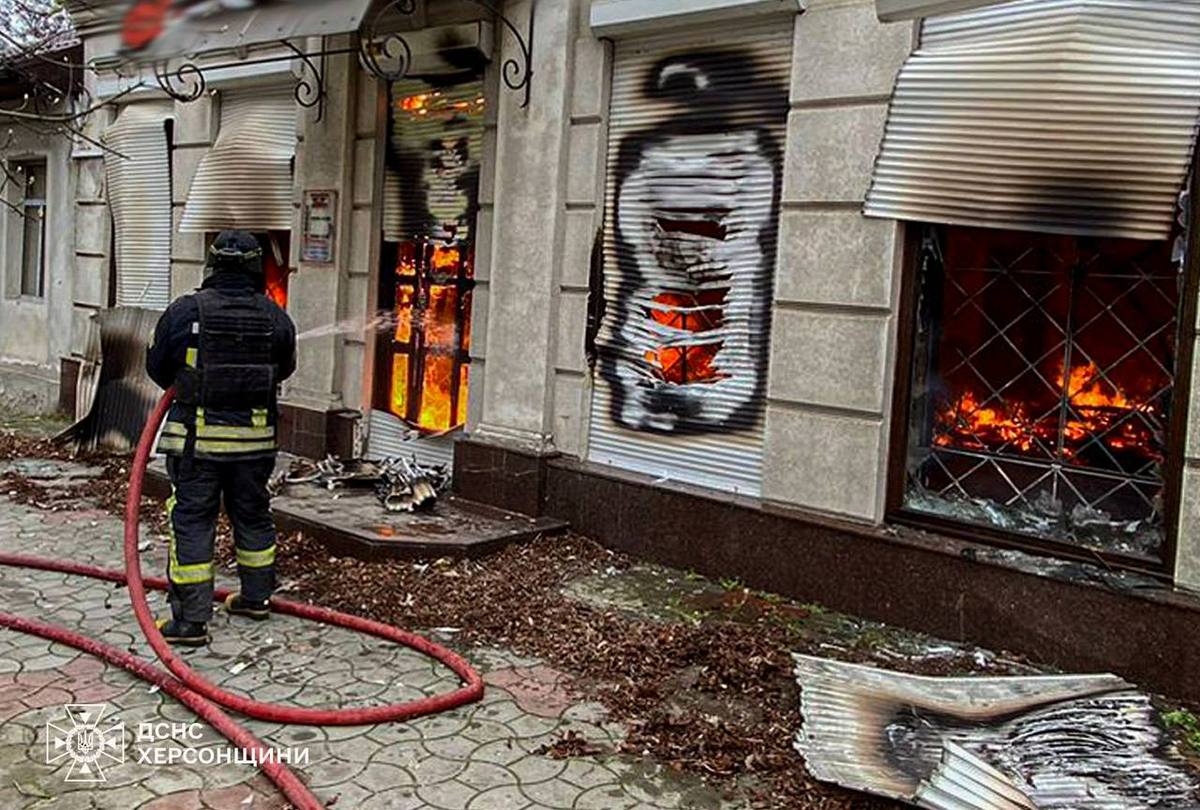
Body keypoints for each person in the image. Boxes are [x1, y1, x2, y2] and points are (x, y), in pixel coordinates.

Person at [146, 230, 297, 646]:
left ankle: (191, 621)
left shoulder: (184, 312)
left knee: (193, 521)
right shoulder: (276, 317)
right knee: (253, 514)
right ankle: (256, 599)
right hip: (254, 445)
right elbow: (285, 368)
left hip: (198, 445)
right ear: (255, 267)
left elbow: (157, 367)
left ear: (212, 264)